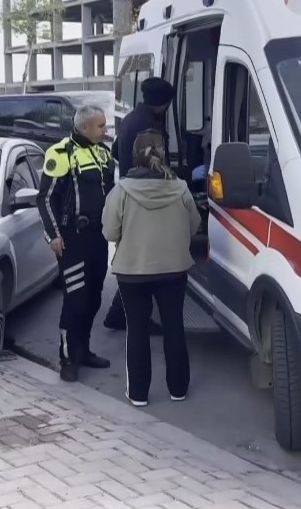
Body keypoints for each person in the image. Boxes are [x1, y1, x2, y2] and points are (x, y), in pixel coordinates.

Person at [102, 129, 200, 407]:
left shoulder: (122, 190)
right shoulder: (180, 187)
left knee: (137, 329)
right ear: (163, 153)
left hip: (132, 272)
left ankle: (139, 394)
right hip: (173, 269)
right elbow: (193, 226)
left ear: (135, 155)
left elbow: (109, 232)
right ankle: (178, 389)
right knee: (174, 326)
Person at [37, 105, 115, 382]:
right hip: (73, 240)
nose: (105, 130)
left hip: (99, 237)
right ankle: (67, 358)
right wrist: (54, 235)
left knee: (94, 297)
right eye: (100, 126)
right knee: (76, 299)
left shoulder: (105, 153)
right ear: (84, 127)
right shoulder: (60, 153)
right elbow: (45, 199)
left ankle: (83, 349)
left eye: (105, 125)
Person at [103, 77, 176, 331]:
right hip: (144, 197)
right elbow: (157, 163)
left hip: (128, 191)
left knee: (136, 260)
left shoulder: (130, 119)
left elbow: (113, 152)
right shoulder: (149, 126)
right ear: (164, 105)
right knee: (144, 264)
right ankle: (132, 317)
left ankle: (118, 313)